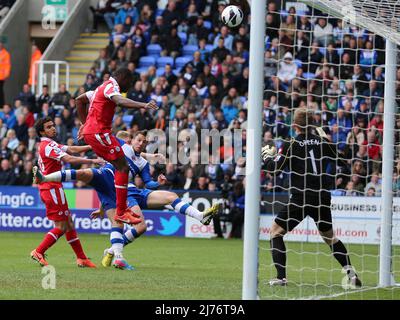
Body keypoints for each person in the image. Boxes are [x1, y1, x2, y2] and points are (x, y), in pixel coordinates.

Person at [34, 130, 221, 269]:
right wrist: (89, 126)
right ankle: (118, 257)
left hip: (131, 190)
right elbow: (103, 134)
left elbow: (148, 183)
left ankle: (200, 216)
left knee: (169, 198)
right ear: (131, 140)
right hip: (110, 180)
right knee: (84, 175)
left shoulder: (143, 163)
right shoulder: (120, 146)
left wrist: (157, 182)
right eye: (139, 140)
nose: (141, 143)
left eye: (144, 142)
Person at [261, 108, 362, 288]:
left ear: (294, 125)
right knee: (330, 237)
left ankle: (281, 278)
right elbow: (342, 159)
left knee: (276, 232)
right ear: (311, 124)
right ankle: (351, 274)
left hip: (301, 196)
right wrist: (330, 142)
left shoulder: (291, 143)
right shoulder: (321, 141)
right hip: (322, 197)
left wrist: (267, 156)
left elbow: (275, 169)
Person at [75, 68, 158, 226]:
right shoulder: (111, 86)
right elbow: (120, 101)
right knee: (123, 167)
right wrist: (144, 105)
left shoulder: (99, 89)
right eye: (130, 83)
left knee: (119, 167)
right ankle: (121, 211)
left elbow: (79, 100)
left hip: (96, 133)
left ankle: (117, 209)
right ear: (123, 78)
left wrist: (84, 124)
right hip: (99, 133)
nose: (130, 87)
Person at [30, 116, 105, 267]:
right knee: (62, 226)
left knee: (68, 223)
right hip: (51, 188)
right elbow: (70, 159)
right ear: (42, 132)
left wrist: (92, 147)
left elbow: (71, 149)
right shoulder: (49, 146)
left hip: (52, 187)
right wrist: (93, 161)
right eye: (49, 127)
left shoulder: (49, 144)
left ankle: (82, 258)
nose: (53, 128)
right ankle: (38, 251)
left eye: (53, 126)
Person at [0, 41, 11, 107]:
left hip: (1, 76)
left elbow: (7, 65)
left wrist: (5, 75)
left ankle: (1, 104)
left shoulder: (5, 54)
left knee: (0, 91)